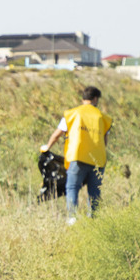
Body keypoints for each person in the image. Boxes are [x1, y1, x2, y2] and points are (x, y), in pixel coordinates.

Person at [40, 86, 112, 220]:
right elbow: (104, 141)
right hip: (98, 160)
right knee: (94, 192)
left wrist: (47, 147)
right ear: (95, 99)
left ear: (83, 98)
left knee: (72, 187)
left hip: (77, 157)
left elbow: (57, 135)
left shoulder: (72, 114)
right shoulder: (103, 118)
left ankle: (72, 218)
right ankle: (94, 219)